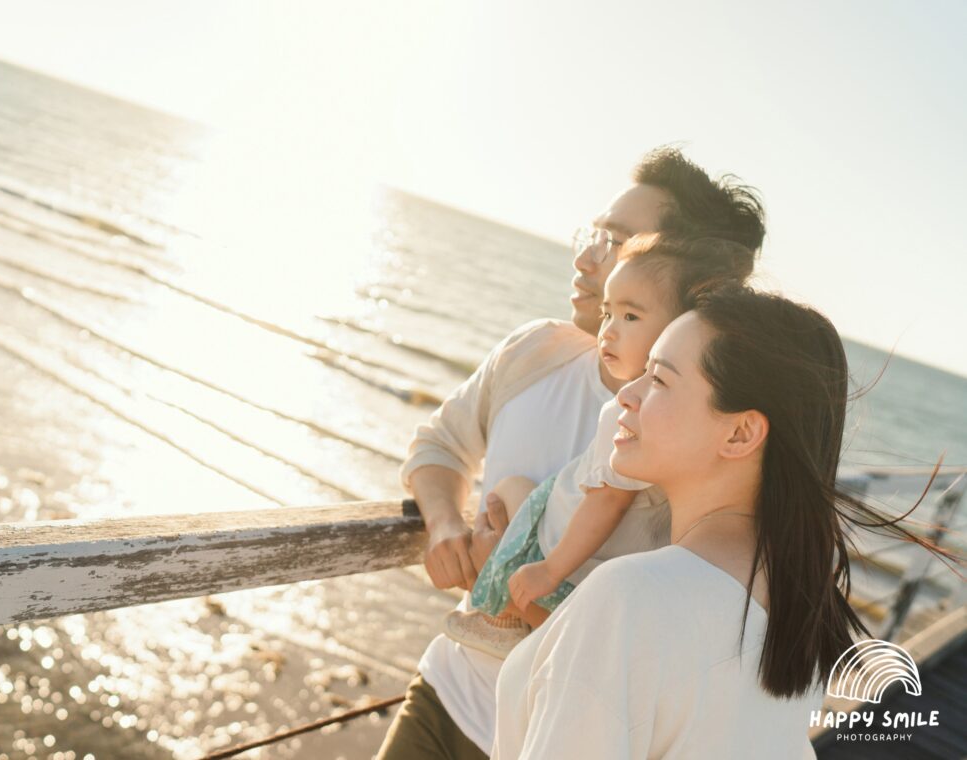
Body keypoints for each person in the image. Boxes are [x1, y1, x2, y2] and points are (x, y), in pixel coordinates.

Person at [377, 147, 767, 760]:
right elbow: (440, 445)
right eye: (593, 235)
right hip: (445, 687)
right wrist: (447, 525)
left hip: (550, 739)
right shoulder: (534, 350)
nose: (586, 259)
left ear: (687, 280)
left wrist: (520, 579)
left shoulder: (700, 443)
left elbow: (673, 633)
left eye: (616, 243)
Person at [492, 288, 954, 759]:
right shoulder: (797, 606)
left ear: (740, 433)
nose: (627, 394)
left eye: (659, 379)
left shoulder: (631, 597)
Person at [443, 233, 754, 659]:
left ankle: (502, 615)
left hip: (564, 545)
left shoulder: (627, 411)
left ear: (680, 329)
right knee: (513, 491)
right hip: (566, 519)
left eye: (630, 316)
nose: (608, 331)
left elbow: (609, 500)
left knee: (512, 501)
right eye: (607, 313)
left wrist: (551, 569)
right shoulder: (673, 418)